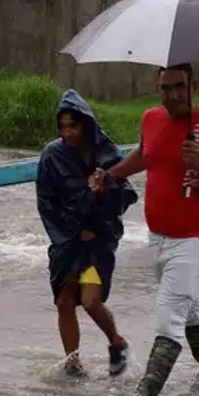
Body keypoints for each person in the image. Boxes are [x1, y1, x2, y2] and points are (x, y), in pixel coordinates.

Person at [91, 63, 199, 396]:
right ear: (157, 87)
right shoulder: (151, 119)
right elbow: (146, 155)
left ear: (196, 86)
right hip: (160, 237)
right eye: (166, 88)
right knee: (191, 309)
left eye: (180, 87)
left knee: (169, 313)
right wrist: (112, 174)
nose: (173, 95)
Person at [35, 89, 137, 378]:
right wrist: (68, 235)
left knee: (91, 301)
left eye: (74, 126)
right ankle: (72, 360)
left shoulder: (105, 153)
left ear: (86, 124)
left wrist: (104, 190)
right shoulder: (51, 156)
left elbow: (124, 197)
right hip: (67, 241)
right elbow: (46, 203)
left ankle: (116, 342)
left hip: (97, 243)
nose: (68, 133)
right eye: (63, 127)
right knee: (65, 300)